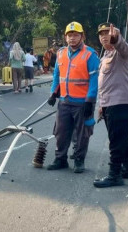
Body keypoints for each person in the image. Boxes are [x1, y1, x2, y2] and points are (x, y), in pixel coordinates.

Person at [46, 21, 99, 173]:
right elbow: (57, 75)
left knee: (82, 134)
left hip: (83, 102)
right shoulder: (61, 53)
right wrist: (53, 93)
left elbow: (95, 80)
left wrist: (90, 99)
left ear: (82, 36)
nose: (72, 38)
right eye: (70, 35)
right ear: (65, 37)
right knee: (61, 132)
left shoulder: (90, 55)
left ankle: (79, 160)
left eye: (76, 35)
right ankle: (60, 159)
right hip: (64, 101)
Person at [93, 23, 128, 188]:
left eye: (107, 33)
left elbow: (122, 46)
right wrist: (101, 106)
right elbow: (104, 83)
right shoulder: (105, 56)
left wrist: (117, 38)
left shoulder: (122, 53)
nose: (104, 36)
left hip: (120, 102)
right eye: (101, 34)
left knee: (115, 140)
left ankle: (115, 175)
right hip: (109, 103)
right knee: (121, 138)